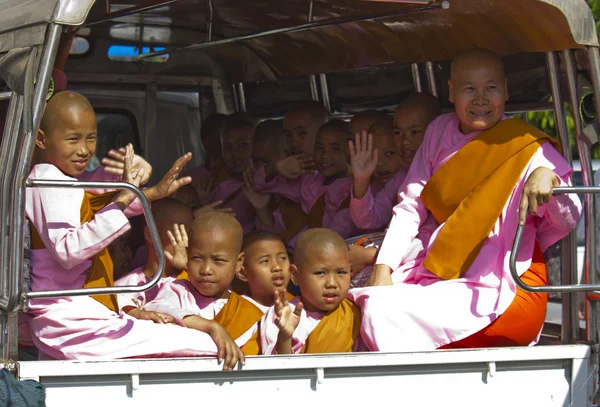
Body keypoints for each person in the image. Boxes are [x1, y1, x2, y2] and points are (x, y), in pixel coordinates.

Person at [349, 49, 582, 351]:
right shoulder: (438, 132)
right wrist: (384, 268)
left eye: (491, 88)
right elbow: (411, 206)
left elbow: (571, 218)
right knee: (357, 302)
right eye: (470, 89)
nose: (481, 99)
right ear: (451, 92)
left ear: (506, 91)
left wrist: (548, 177)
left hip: (497, 284)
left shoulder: (528, 146)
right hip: (435, 271)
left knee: (380, 311)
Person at [25, 91, 225, 361]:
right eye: (73, 139)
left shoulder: (66, 179)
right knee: (209, 346)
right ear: (41, 139)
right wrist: (125, 197)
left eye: (91, 138)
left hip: (78, 316)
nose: (84, 150)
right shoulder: (47, 180)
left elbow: (99, 201)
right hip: (70, 320)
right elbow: (68, 251)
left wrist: (150, 193)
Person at [146, 212, 262, 361]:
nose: (206, 270)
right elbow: (157, 309)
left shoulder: (250, 315)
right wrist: (212, 327)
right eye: (197, 258)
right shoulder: (177, 291)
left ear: (239, 262)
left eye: (218, 260)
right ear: (187, 257)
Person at [261, 228, 361, 354]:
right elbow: (276, 370)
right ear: (296, 275)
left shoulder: (355, 312)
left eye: (341, 272)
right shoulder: (282, 314)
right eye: (320, 273)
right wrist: (284, 338)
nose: (332, 283)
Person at [254, 120, 359, 239]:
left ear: (351, 151)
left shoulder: (355, 188)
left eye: (335, 149)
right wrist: (276, 167)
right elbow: (259, 184)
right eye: (319, 148)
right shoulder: (309, 181)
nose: (325, 155)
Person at [114, 197, 194, 322]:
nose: (188, 241)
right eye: (180, 232)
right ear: (150, 234)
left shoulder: (196, 280)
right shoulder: (126, 286)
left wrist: (188, 267)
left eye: (191, 234)